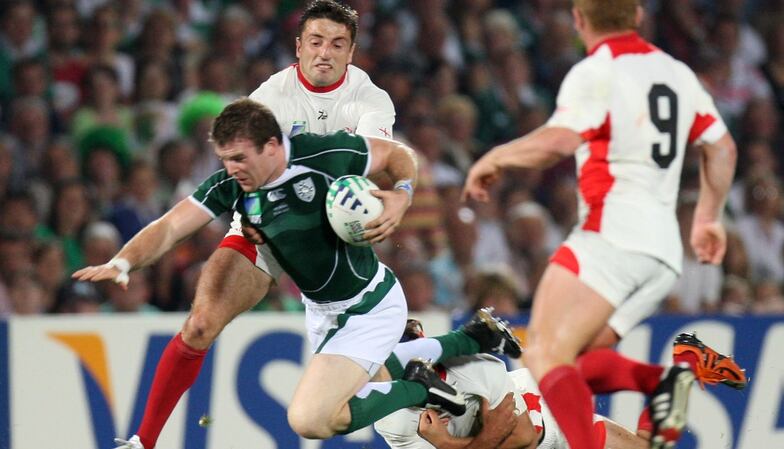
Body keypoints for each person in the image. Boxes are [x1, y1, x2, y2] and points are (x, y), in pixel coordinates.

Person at [75, 99, 521, 449]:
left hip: (371, 306)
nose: (231, 168)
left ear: (272, 146)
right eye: (224, 158)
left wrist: (401, 195)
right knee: (366, 381)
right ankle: (470, 339)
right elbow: (171, 225)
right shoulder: (234, 185)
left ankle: (421, 388)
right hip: (323, 311)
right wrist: (123, 261)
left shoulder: (326, 155)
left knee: (312, 419)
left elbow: (398, 155)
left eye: (239, 158)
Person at [89, 1, 397, 448]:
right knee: (199, 325)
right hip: (264, 228)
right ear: (299, 46)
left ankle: (437, 368)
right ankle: (144, 441)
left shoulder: (370, 100)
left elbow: (373, 164)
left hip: (330, 235)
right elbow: (191, 211)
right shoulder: (270, 97)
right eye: (315, 42)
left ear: (352, 51)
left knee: (385, 368)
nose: (324, 53)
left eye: (337, 44)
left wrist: (398, 195)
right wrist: (124, 260)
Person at [462, 1, 741, 448]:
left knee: (543, 353)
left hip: (611, 236)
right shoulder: (676, 72)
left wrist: (497, 156)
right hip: (663, 252)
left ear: (578, 20)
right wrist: (709, 217)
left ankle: (664, 380)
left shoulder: (597, 71)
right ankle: (678, 372)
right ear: (637, 15)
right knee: (574, 360)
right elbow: (722, 148)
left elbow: (559, 140)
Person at [375, 319, 655, 449]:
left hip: (553, 427)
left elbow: (525, 440)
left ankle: (681, 368)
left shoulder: (475, 367)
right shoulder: (389, 419)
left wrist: (447, 444)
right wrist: (492, 436)